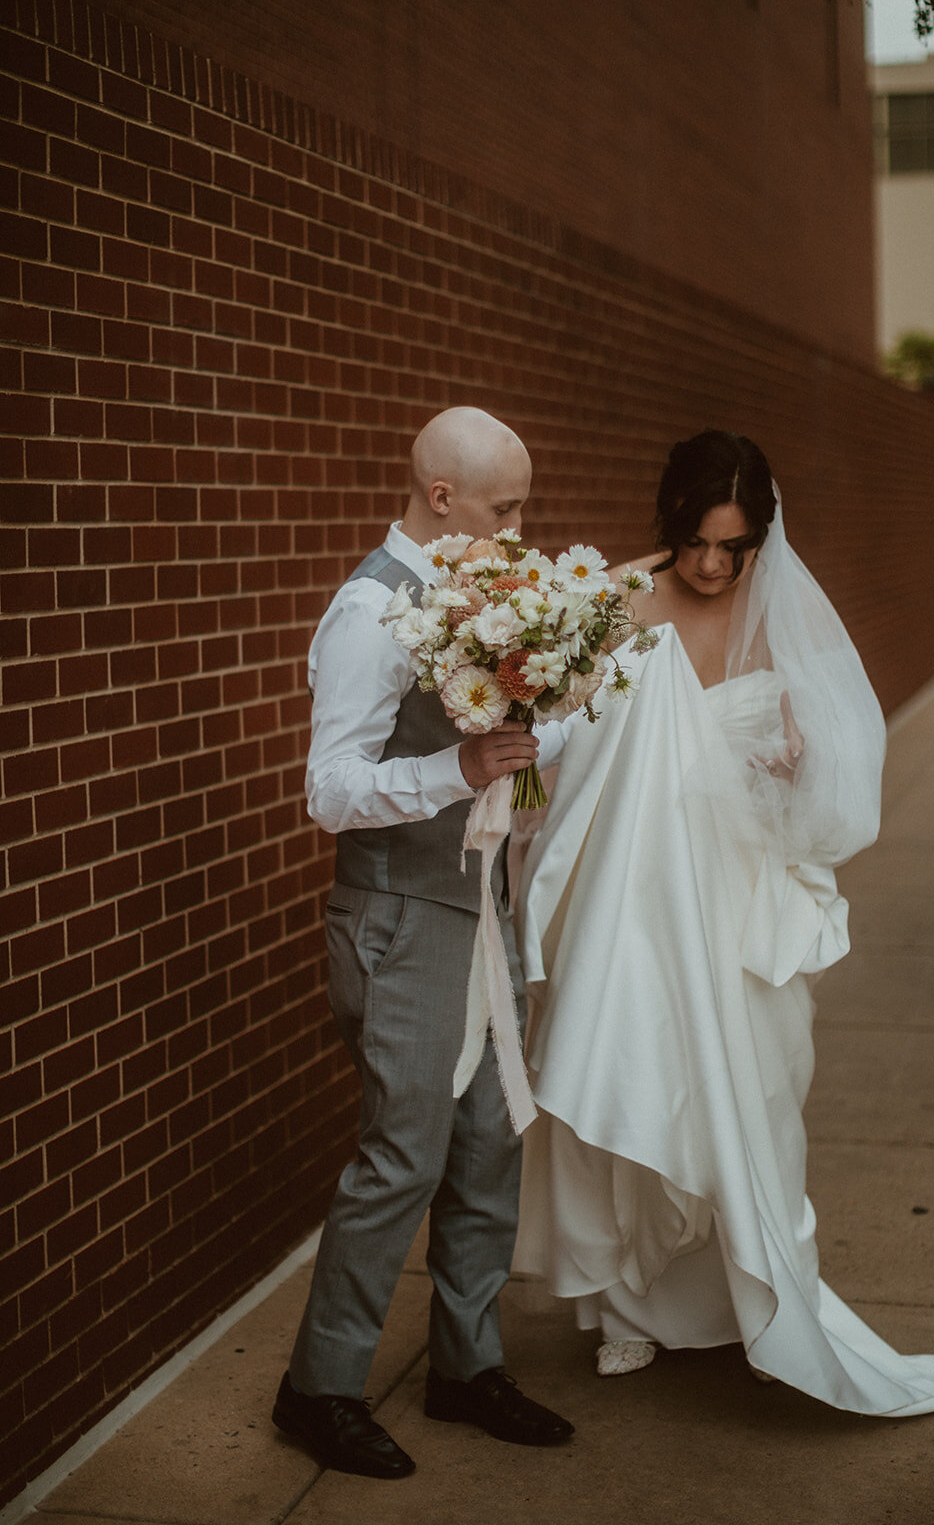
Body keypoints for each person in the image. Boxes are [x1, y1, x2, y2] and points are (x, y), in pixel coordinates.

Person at [515, 429, 934, 1415]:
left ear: (757, 539)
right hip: (632, 899)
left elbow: (822, 769)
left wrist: (788, 763)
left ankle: (740, 1293)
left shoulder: (773, 613)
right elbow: (549, 744)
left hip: (737, 901)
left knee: (753, 1101)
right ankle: (626, 1312)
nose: (712, 565)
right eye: (694, 542)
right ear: (669, 524)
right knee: (631, 1073)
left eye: (732, 545)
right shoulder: (616, 605)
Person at [273, 407, 574, 1479]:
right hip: (400, 920)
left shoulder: (491, 604)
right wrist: (462, 772)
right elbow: (330, 789)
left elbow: (508, 775)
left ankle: (466, 1363)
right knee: (402, 1158)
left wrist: (533, 760)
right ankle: (319, 1386)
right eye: (506, 508)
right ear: (441, 498)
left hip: (482, 909)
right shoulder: (371, 612)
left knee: (490, 1147)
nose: (520, 527)